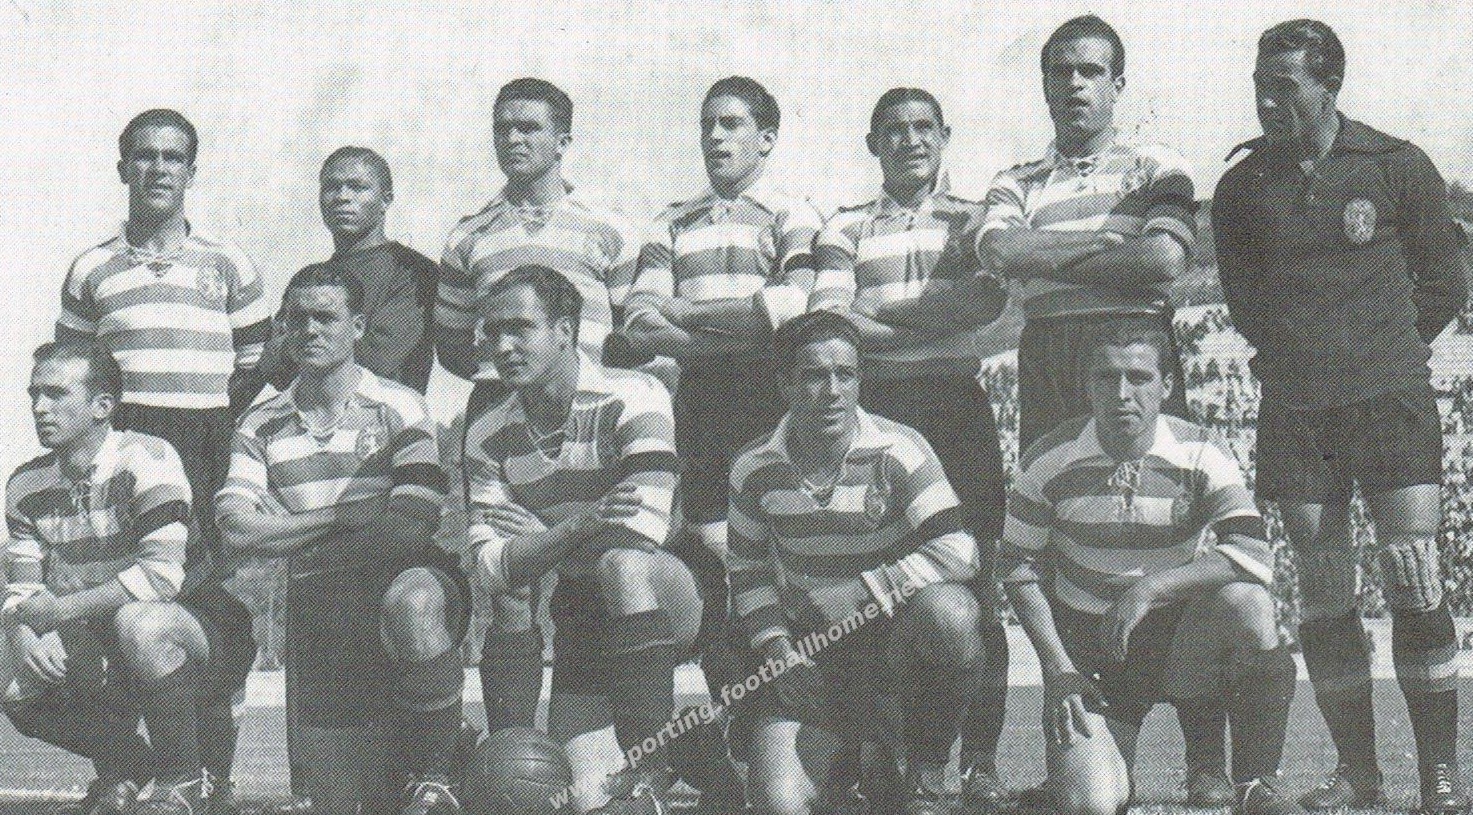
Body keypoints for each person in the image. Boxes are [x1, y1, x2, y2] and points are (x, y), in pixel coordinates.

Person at [1213, 19, 1468, 814]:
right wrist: (1309, 356)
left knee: (1413, 573)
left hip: (1388, 400)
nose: (1267, 100)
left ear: (1328, 85)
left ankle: (1438, 774)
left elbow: (1445, 284)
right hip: (1297, 409)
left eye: (1283, 85)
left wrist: (1382, 351)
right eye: (1259, 84)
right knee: (1324, 594)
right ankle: (1359, 772)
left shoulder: (1394, 165)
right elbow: (1244, 304)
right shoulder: (1240, 188)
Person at [999, 318, 1300, 815]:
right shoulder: (1048, 459)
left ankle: (1252, 782)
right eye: (1107, 377)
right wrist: (1057, 668)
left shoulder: (1201, 450)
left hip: (1180, 644)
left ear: (1167, 386)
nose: (1122, 394)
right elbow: (1014, 564)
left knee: (1248, 602)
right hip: (1095, 652)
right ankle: (1100, 768)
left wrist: (1149, 589)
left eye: (1139, 378)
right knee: (1092, 803)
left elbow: (1252, 550)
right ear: (1087, 386)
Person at [810, 87, 1012, 812]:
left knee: (975, 584)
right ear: (873, 144)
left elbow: (983, 303)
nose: (910, 140)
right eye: (893, 130)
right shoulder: (844, 225)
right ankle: (889, 756)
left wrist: (879, 314)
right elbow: (830, 321)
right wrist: (932, 317)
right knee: (879, 587)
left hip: (956, 409)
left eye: (924, 127)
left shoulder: (973, 218)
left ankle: (978, 762)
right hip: (879, 414)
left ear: (945, 135)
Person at [216, 266, 468, 815]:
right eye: (297, 319)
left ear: (357, 326)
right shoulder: (258, 424)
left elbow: (415, 516)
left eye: (325, 317)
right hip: (320, 607)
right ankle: (436, 741)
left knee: (414, 602)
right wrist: (344, 514)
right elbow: (236, 528)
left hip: (402, 581)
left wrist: (291, 531)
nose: (310, 329)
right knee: (342, 804)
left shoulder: (399, 405)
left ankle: (437, 769)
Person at [434, 78, 643, 736]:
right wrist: (508, 376)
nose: (514, 139)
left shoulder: (607, 228)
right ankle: (512, 754)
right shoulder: (469, 235)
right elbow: (451, 344)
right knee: (509, 585)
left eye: (529, 127)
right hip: (502, 420)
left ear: (562, 139)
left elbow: (632, 336)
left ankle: (616, 737)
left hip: (587, 422)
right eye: (503, 127)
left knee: (600, 570)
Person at [463, 265, 702, 815]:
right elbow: (492, 566)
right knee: (586, 799)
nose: (503, 346)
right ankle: (511, 751)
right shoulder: (486, 432)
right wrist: (578, 525)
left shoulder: (633, 393)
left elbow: (642, 527)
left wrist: (544, 541)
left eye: (520, 328)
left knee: (621, 563)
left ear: (566, 330)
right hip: (583, 619)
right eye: (493, 331)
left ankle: (651, 769)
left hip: (667, 598)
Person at [728, 310, 986, 815]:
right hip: (814, 652)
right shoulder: (753, 467)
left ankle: (926, 767)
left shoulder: (900, 449)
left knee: (952, 615)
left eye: (845, 375)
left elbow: (961, 550)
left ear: (860, 379)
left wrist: (864, 590)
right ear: (784, 384)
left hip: (895, 646)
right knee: (779, 804)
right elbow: (747, 571)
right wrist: (778, 649)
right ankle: (857, 759)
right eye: (814, 376)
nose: (832, 392)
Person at [3, 342, 255, 815]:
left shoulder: (146, 457)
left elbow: (160, 577)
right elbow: (22, 590)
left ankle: (182, 782)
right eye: (35, 394)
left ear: (102, 406)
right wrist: (22, 633)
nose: (40, 407)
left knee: (140, 623)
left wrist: (58, 611)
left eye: (56, 394)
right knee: (9, 676)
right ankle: (128, 765)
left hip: (199, 626)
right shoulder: (25, 485)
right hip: (103, 632)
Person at [258, 146, 439, 393]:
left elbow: (376, 361)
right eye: (331, 187)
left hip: (381, 412)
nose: (342, 197)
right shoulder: (312, 280)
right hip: (310, 412)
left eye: (357, 187)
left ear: (385, 199)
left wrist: (290, 352)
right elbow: (272, 367)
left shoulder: (413, 271)